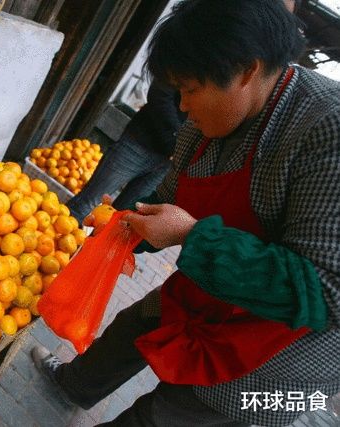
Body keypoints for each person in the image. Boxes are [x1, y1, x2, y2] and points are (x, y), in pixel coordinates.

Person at [31, 1, 340, 426]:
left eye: (191, 90)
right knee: (134, 326)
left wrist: (193, 238)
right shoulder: (206, 122)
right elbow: (177, 189)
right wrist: (125, 226)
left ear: (246, 71)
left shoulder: (327, 128)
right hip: (215, 293)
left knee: (165, 416)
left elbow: (325, 290)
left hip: (284, 364)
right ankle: (74, 383)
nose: (182, 107)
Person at [66, 81, 186, 221]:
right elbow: (160, 94)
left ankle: (91, 243)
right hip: (140, 142)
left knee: (123, 222)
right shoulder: (195, 64)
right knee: (86, 205)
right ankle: (60, 239)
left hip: (169, 164)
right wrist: (177, 139)